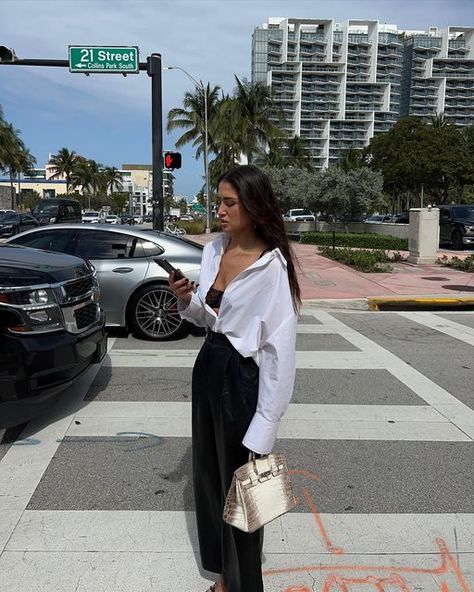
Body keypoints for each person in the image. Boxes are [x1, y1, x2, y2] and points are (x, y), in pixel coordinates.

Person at [168, 165, 300, 592]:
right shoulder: (214, 250)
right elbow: (213, 320)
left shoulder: (271, 267)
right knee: (210, 480)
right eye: (218, 201)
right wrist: (188, 301)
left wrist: (266, 425)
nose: (219, 211)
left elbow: (279, 353)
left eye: (228, 203)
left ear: (253, 206)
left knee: (243, 493)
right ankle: (224, 579)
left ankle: (244, 586)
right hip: (209, 364)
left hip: (241, 378)